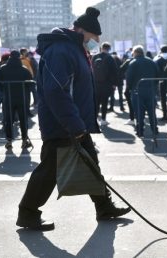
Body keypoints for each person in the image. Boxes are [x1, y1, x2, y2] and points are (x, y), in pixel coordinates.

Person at [16, 7, 131, 231]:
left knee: (91, 162)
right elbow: (56, 91)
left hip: (74, 121)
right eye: (92, 37)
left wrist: (80, 123)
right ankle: (27, 212)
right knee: (50, 169)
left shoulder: (74, 48)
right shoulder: (61, 50)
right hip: (63, 124)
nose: (94, 41)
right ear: (80, 30)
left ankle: (104, 206)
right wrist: (74, 124)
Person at [0, 50, 33, 149]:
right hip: (22, 98)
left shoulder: (3, 69)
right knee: (23, 120)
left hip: (8, 97)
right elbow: (30, 83)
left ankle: (9, 141)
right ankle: (24, 140)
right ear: (19, 57)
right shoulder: (24, 69)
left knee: (8, 120)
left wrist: (4, 90)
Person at [126, 45, 159, 137]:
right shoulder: (151, 62)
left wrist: (129, 88)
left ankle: (140, 131)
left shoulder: (133, 63)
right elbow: (157, 75)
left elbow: (129, 78)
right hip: (150, 89)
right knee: (152, 111)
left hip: (137, 90)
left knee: (139, 112)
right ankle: (154, 129)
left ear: (135, 53)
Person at [91, 42, 118, 125]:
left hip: (95, 84)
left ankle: (94, 120)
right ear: (109, 49)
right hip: (106, 84)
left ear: (101, 48)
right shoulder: (110, 58)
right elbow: (114, 72)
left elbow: (90, 69)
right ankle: (103, 119)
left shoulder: (95, 57)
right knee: (105, 102)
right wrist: (114, 84)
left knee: (96, 103)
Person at [154, 45, 167, 121]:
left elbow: (156, 70)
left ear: (161, 50)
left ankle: (165, 115)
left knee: (163, 99)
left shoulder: (158, 59)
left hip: (162, 80)